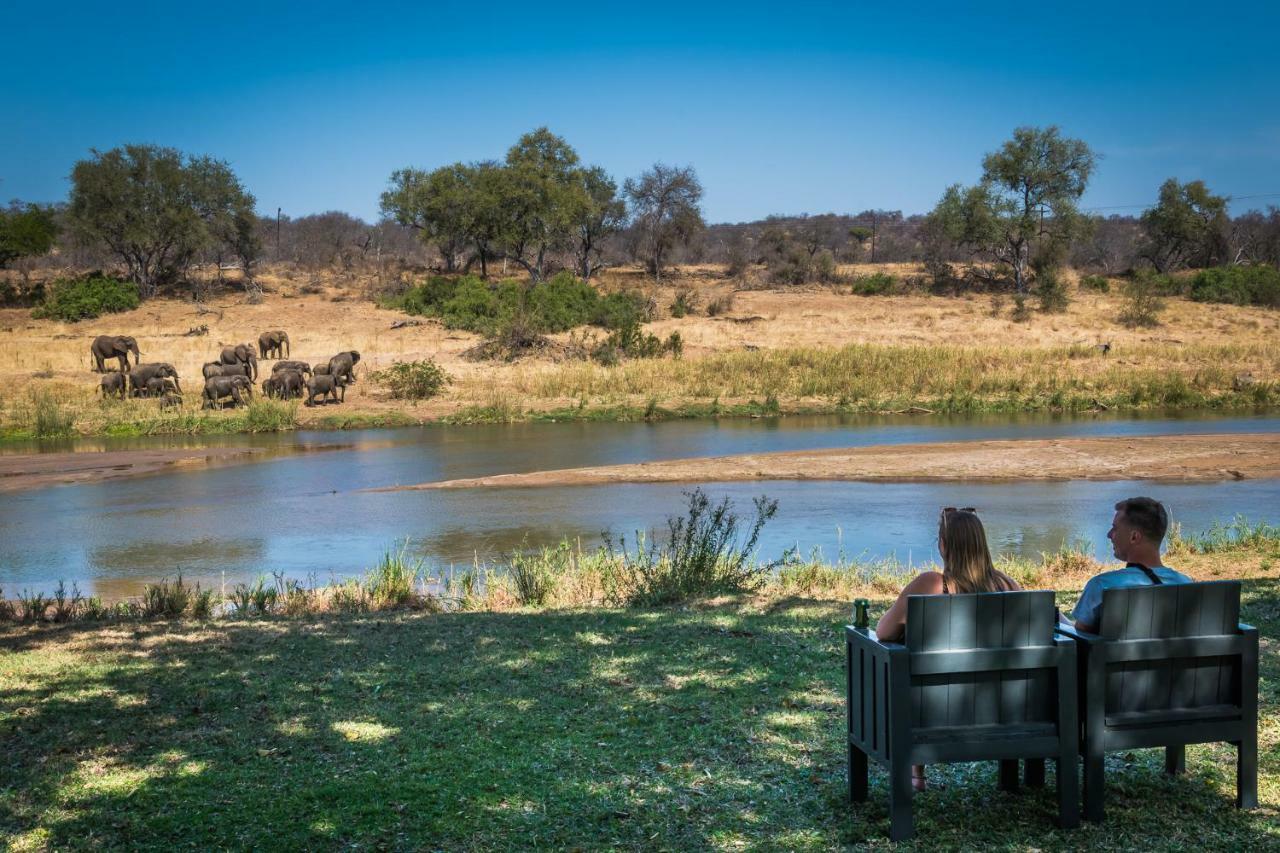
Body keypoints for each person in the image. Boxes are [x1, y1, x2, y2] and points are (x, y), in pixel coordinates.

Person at [875, 507, 1020, 790]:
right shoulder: (1006, 584)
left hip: (934, 715)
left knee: (918, 678)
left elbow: (883, 632)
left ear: (943, 544)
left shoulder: (931, 585)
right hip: (1003, 711)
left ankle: (916, 774)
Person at [1072, 496, 1190, 634]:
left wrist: (1056, 619)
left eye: (1114, 528)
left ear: (1134, 537)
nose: (1109, 535)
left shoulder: (1102, 585)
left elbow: (1080, 638)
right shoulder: (1186, 584)